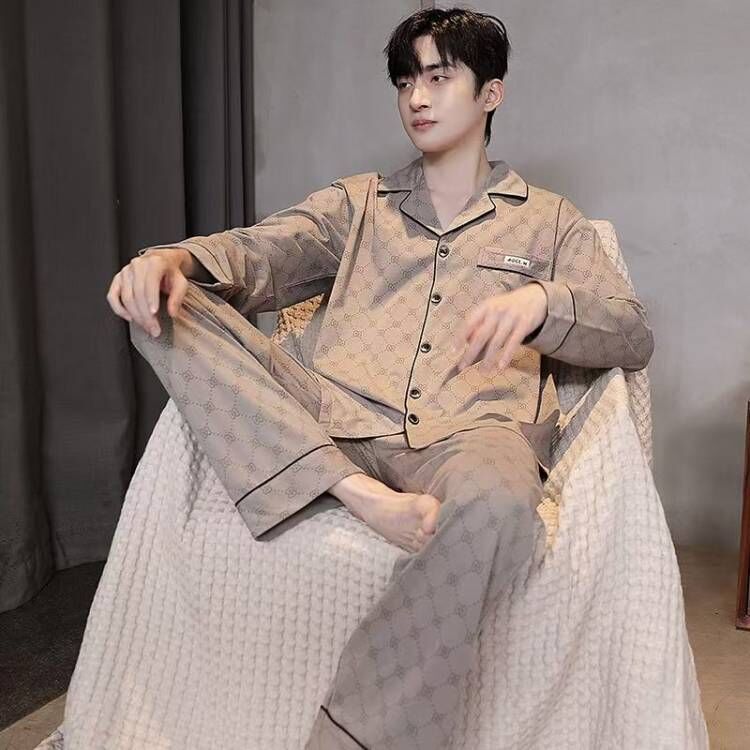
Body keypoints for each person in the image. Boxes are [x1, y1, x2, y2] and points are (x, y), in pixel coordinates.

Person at [106, 7, 654, 749]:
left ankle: (351, 738)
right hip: (329, 416)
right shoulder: (357, 204)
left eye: (439, 77)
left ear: (491, 93)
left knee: (500, 507)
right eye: (405, 82)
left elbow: (631, 334)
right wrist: (171, 260)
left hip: (473, 433)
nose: (417, 98)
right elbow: (256, 254)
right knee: (165, 308)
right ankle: (351, 491)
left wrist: (543, 304)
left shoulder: (552, 223)